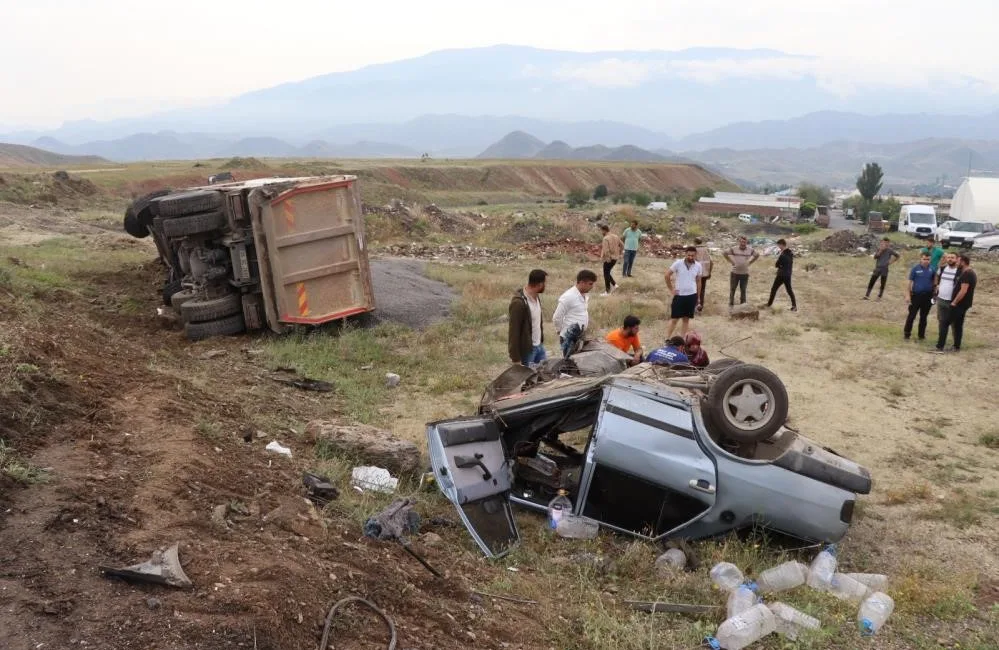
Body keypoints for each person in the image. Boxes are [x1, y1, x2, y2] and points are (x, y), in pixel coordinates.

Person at [935, 253, 976, 353]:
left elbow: (963, 290)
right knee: (954, 324)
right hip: (955, 303)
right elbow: (937, 275)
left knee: (946, 323)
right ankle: (955, 347)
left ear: (963, 262)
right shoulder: (965, 272)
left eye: (958, 260)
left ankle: (940, 347)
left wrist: (954, 302)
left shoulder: (967, 273)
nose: (956, 262)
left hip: (959, 304)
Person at [553, 269, 597, 357]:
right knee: (569, 363)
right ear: (582, 282)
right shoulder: (568, 296)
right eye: (590, 284)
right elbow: (557, 317)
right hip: (569, 337)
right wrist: (560, 330)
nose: (592, 287)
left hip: (580, 336)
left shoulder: (584, 295)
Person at [508, 269, 547, 366]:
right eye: (545, 283)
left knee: (545, 375)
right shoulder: (519, 303)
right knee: (528, 379)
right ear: (540, 284)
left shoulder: (536, 297)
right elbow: (513, 331)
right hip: (527, 350)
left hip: (539, 347)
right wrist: (515, 358)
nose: (546, 286)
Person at [665, 246, 703, 339]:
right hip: (679, 295)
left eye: (692, 256)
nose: (690, 257)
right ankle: (667, 339)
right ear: (685, 254)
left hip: (691, 295)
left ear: (695, 255)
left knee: (686, 319)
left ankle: (682, 340)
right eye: (689, 255)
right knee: (674, 319)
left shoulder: (698, 265)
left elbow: (699, 281)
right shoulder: (678, 263)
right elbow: (667, 275)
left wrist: (698, 297)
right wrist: (671, 289)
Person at [933, 252, 960, 353]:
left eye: (952, 258)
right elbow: (936, 275)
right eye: (948, 257)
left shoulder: (959, 271)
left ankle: (956, 346)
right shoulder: (943, 268)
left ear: (957, 259)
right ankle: (940, 346)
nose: (950, 259)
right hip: (941, 300)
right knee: (942, 323)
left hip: (952, 302)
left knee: (954, 324)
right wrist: (936, 285)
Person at [903, 253, 934, 341]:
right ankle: (907, 334)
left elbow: (934, 281)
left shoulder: (932, 269)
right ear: (921, 259)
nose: (926, 261)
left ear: (930, 260)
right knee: (911, 316)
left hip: (927, 297)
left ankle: (921, 336)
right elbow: (909, 283)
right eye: (924, 259)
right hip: (916, 296)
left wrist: (934, 294)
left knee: (924, 317)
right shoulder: (915, 269)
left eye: (928, 259)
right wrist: (907, 295)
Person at [723, 235, 759, 307]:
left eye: (744, 242)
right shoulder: (733, 249)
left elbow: (757, 255)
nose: (743, 243)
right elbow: (724, 253)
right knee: (732, 289)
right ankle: (731, 303)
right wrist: (731, 261)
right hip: (735, 273)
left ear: (746, 242)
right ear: (739, 242)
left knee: (743, 290)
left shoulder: (750, 249)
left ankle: (743, 304)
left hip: (745, 273)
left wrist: (750, 262)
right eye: (742, 242)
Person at [766, 238, 797, 311]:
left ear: (782, 244)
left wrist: (780, 265)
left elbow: (776, 265)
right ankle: (794, 306)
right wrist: (781, 265)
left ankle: (769, 304)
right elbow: (788, 264)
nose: (778, 247)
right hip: (788, 274)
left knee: (774, 289)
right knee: (789, 290)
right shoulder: (790, 253)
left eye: (779, 245)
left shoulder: (783, 254)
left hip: (781, 274)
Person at [599, 224, 624, 295]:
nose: (601, 233)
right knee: (607, 272)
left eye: (601, 231)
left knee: (606, 274)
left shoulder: (605, 238)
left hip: (609, 259)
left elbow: (606, 250)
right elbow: (622, 245)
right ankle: (615, 285)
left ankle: (607, 291)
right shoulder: (616, 236)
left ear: (604, 230)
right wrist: (619, 253)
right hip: (615, 258)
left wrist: (608, 258)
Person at [694, 237, 712, 311]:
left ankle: (694, 306)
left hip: (696, 274)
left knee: (694, 290)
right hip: (705, 273)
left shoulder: (693, 249)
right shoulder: (706, 249)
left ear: (695, 242)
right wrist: (709, 272)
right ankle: (700, 307)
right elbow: (711, 262)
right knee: (702, 290)